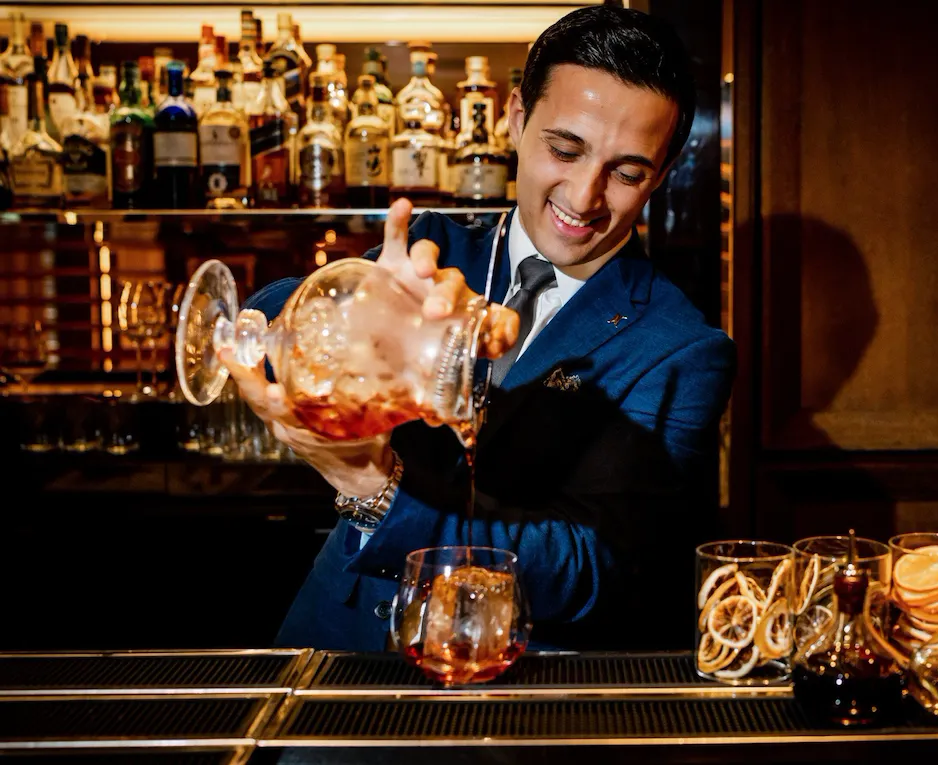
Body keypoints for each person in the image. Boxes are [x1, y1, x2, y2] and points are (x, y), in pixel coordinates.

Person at [223, 5, 736, 651]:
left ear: (659, 175)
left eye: (627, 172)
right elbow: (263, 324)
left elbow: (593, 565)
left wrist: (378, 490)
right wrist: (357, 311)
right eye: (564, 149)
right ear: (516, 118)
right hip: (343, 644)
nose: (583, 197)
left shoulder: (682, 348)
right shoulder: (429, 245)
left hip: (516, 683)